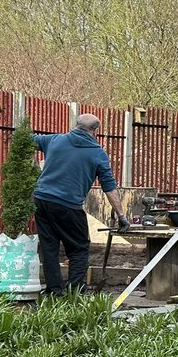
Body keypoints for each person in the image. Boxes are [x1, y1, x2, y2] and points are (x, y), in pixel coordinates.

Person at [33, 113, 130, 296]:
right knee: (78, 248)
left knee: (49, 247)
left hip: (41, 200)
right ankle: (74, 291)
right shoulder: (97, 153)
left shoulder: (54, 140)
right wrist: (121, 216)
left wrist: (32, 171)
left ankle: (54, 291)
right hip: (68, 206)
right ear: (95, 131)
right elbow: (109, 187)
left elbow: (26, 140)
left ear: (75, 125)